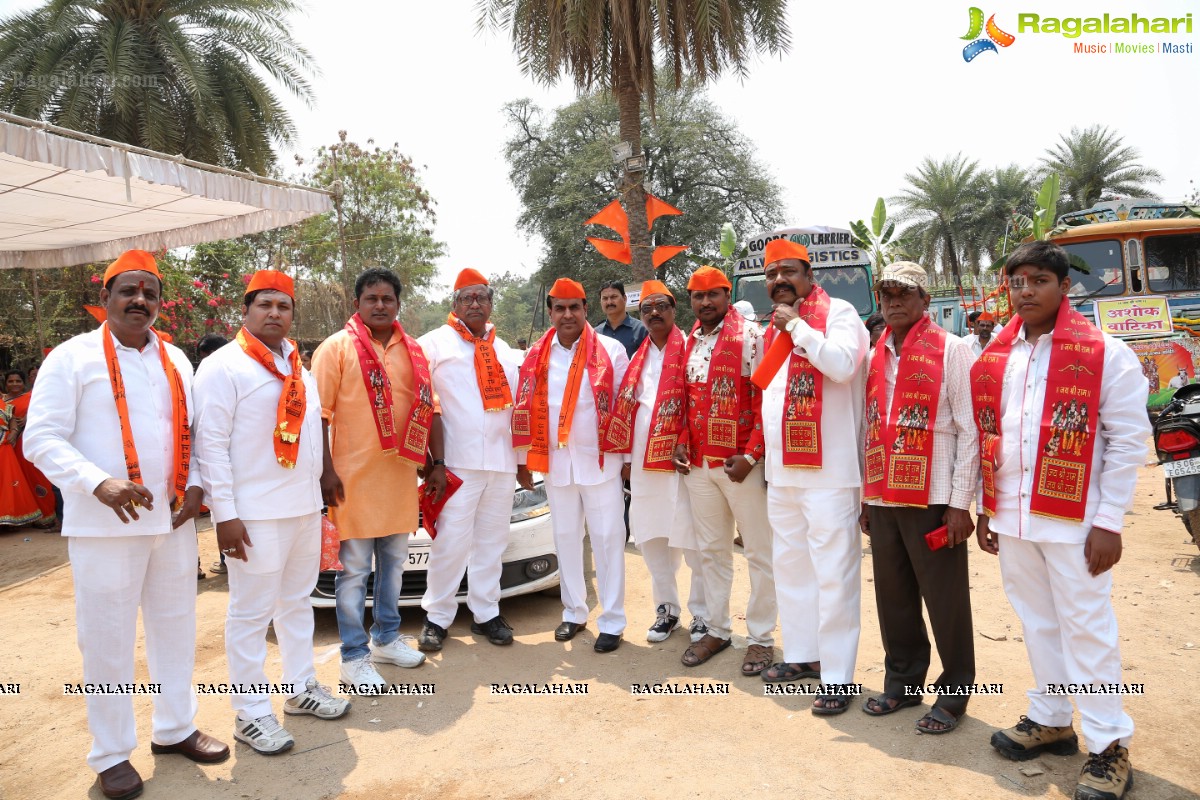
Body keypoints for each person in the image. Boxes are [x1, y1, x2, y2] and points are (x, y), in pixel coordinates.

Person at [24, 250, 228, 800]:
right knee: (108, 641)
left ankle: (175, 727)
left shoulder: (178, 361)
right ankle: (111, 753)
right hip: (103, 524)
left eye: (150, 293)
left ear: (161, 303)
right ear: (107, 298)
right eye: (128, 291)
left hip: (172, 521)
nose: (140, 301)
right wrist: (97, 482)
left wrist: (196, 485)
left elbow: (194, 432)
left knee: (176, 628)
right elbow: (39, 437)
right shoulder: (72, 358)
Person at [973, 241, 1149, 800]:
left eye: (1038, 281)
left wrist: (1109, 521)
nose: (1025, 290)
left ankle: (1107, 745)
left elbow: (1126, 441)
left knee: (1087, 629)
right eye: (1016, 280)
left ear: (1064, 287)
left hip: (1076, 521)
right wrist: (989, 510)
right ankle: (1050, 717)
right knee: (1038, 621)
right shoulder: (1002, 354)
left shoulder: (1104, 352)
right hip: (1016, 515)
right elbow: (994, 435)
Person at [193, 269, 350, 756]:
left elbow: (314, 429)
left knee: (297, 603)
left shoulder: (297, 367)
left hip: (302, 507)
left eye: (283, 307)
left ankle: (301, 687)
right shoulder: (223, 366)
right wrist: (225, 514)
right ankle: (250, 712)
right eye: (265, 305)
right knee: (250, 613)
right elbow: (211, 445)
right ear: (245, 311)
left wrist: (324, 476)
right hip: (253, 514)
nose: (275, 314)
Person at [858, 262, 979, 734]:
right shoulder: (874, 355)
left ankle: (954, 693)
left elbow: (970, 430)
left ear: (925, 300)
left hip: (932, 497)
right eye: (885, 293)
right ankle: (903, 682)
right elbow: (870, 427)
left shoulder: (952, 350)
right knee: (894, 598)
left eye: (904, 292)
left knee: (945, 600)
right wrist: (867, 497)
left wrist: (958, 504)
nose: (892, 301)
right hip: (885, 495)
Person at [753, 240, 869, 714]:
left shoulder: (839, 314)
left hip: (830, 474)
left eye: (788, 272)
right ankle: (803, 657)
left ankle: (839, 677)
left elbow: (841, 366)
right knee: (791, 567)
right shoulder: (770, 330)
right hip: (784, 474)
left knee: (834, 576)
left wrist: (797, 325)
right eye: (772, 274)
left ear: (809, 274)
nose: (779, 281)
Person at [312, 268, 435, 686]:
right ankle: (353, 655)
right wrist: (325, 471)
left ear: (398, 304)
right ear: (357, 304)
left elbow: (426, 409)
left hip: (399, 477)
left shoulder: (413, 350)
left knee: (395, 565)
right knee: (355, 570)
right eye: (371, 298)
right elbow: (319, 416)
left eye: (387, 299)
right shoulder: (336, 348)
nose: (380, 305)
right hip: (351, 480)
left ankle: (385, 638)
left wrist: (432, 462)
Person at [514, 278, 630, 652]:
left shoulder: (610, 350)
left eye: (574, 307)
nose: (567, 314)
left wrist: (626, 460)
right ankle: (574, 613)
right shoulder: (535, 355)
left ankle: (612, 620)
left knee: (608, 540)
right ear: (550, 312)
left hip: (601, 464)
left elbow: (624, 406)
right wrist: (523, 461)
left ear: (585, 310)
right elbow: (524, 408)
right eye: (559, 308)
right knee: (565, 539)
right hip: (557, 465)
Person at [672, 265, 777, 676]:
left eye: (712, 295)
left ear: (726, 294)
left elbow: (765, 398)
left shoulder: (752, 336)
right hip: (700, 466)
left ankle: (761, 638)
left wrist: (751, 456)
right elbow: (684, 398)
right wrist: (681, 439)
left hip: (741, 465)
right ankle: (716, 629)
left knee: (758, 552)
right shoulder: (690, 340)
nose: (704, 303)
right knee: (712, 552)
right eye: (697, 297)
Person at [416, 268, 523, 651]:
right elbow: (420, 402)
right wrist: (429, 460)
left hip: (501, 460)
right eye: (467, 298)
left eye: (482, 298)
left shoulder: (505, 349)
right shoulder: (432, 344)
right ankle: (437, 617)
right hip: (456, 464)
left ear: (492, 304)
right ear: (454, 304)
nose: (475, 304)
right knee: (451, 543)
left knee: (492, 542)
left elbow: (521, 405)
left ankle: (486, 613)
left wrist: (523, 460)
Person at [602, 280, 708, 643]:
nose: (653, 313)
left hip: (685, 462)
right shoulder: (639, 357)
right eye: (646, 309)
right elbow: (629, 411)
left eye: (660, 306)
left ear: (673, 310)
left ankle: (703, 614)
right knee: (651, 537)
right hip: (646, 467)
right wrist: (628, 460)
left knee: (693, 538)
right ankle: (667, 610)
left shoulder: (692, 349)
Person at [195, 334, 230, 575]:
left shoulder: (213, 374)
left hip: (219, 466)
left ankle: (226, 561)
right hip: (219, 466)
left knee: (222, 518)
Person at [597, 280, 648, 358]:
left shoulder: (642, 330)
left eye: (614, 297)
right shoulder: (596, 333)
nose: (609, 302)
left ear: (624, 298)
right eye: (605, 298)